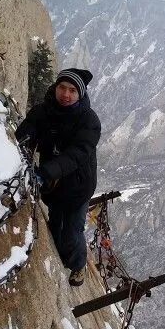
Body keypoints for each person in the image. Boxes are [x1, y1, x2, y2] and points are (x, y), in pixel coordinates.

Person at [16, 68, 101, 286]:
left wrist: (46, 172)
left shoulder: (89, 120)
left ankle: (78, 265)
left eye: (72, 90)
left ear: (80, 94)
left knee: (72, 230)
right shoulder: (44, 111)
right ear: (55, 87)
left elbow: (78, 153)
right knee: (56, 225)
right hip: (53, 184)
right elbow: (28, 130)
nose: (66, 94)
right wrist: (24, 142)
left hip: (78, 186)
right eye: (62, 87)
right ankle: (60, 257)